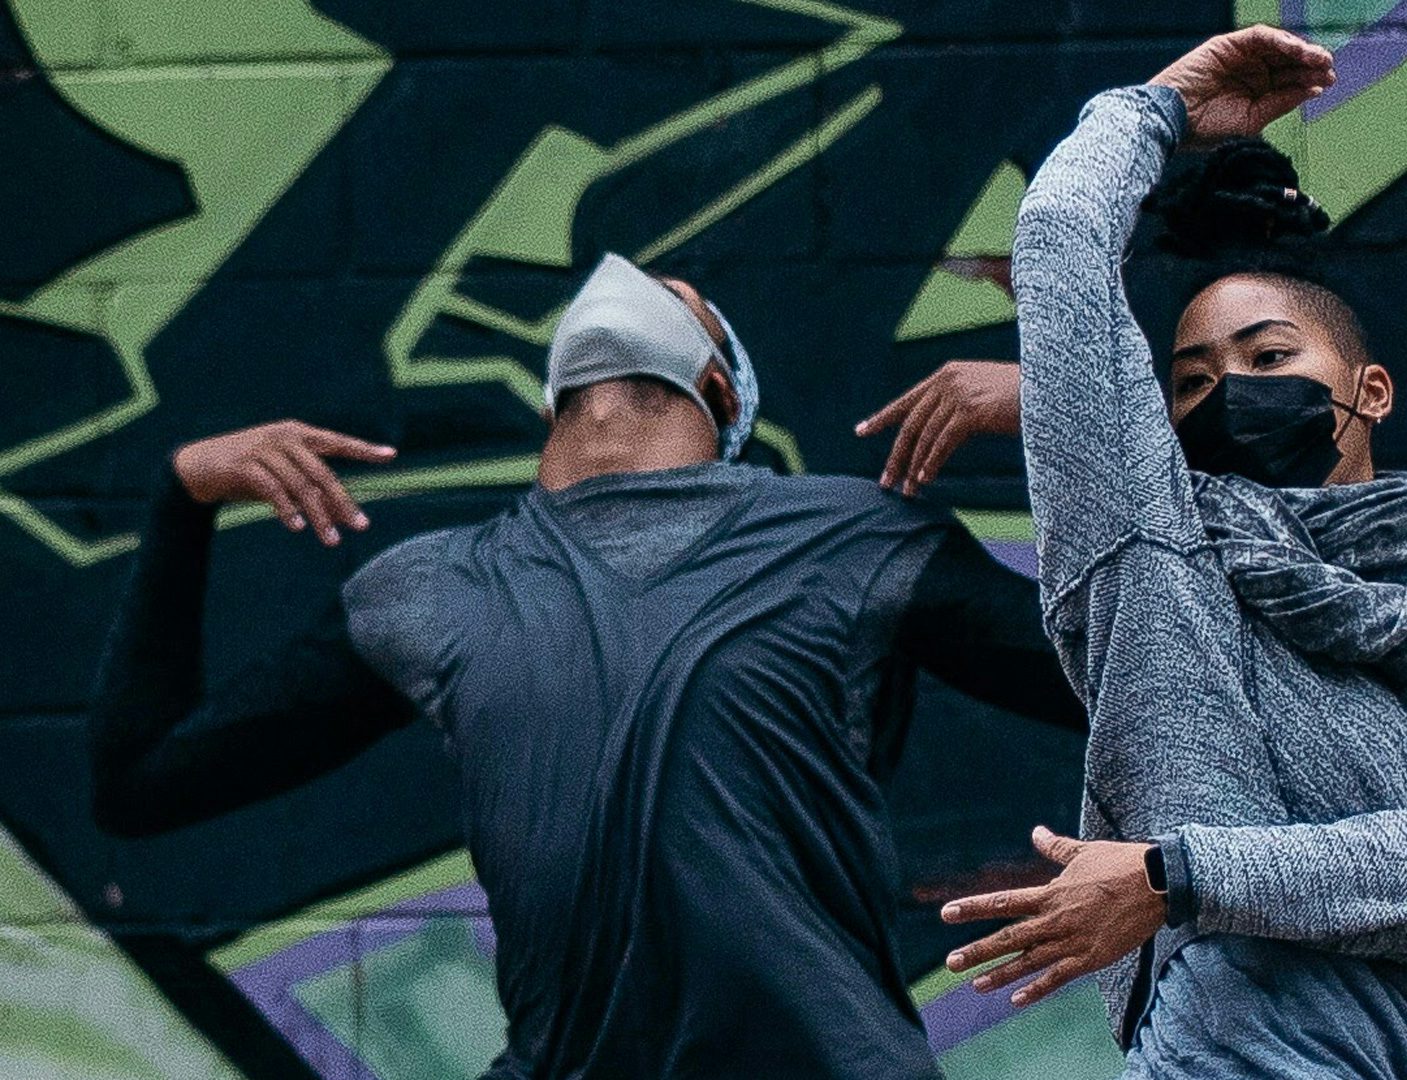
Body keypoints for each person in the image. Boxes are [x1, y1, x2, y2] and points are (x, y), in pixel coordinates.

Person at [89, 253, 1085, 1078]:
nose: (628, 279)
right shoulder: (430, 589)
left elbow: (1160, 681)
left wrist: (1082, 409)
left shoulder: (859, 540)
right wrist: (181, 499)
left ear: (719, 387)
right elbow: (142, 782)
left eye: (684, 292)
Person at [861, 27, 1407, 1080]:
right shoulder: (1154, 563)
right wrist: (1157, 110)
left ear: (1369, 391)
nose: (1228, 388)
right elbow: (1058, 238)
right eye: (1190, 380)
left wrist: (1173, 876)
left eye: (1270, 356)